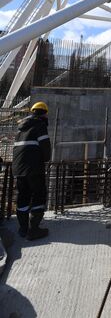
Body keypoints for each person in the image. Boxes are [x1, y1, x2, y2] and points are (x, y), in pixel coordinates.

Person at [12, 101, 51, 240]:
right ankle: (34, 230)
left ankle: (23, 229)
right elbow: (46, 149)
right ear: (45, 113)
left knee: (23, 197)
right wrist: (46, 159)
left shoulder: (21, 128)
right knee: (39, 196)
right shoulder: (40, 125)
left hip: (18, 169)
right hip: (34, 169)